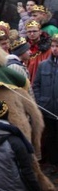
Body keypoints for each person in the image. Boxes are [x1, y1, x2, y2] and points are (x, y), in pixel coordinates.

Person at [32, 35, 58, 174]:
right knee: (50, 137)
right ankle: (53, 163)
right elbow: (36, 85)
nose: (55, 49)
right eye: (53, 46)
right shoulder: (43, 65)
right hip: (47, 109)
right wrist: (40, 101)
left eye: (57, 47)